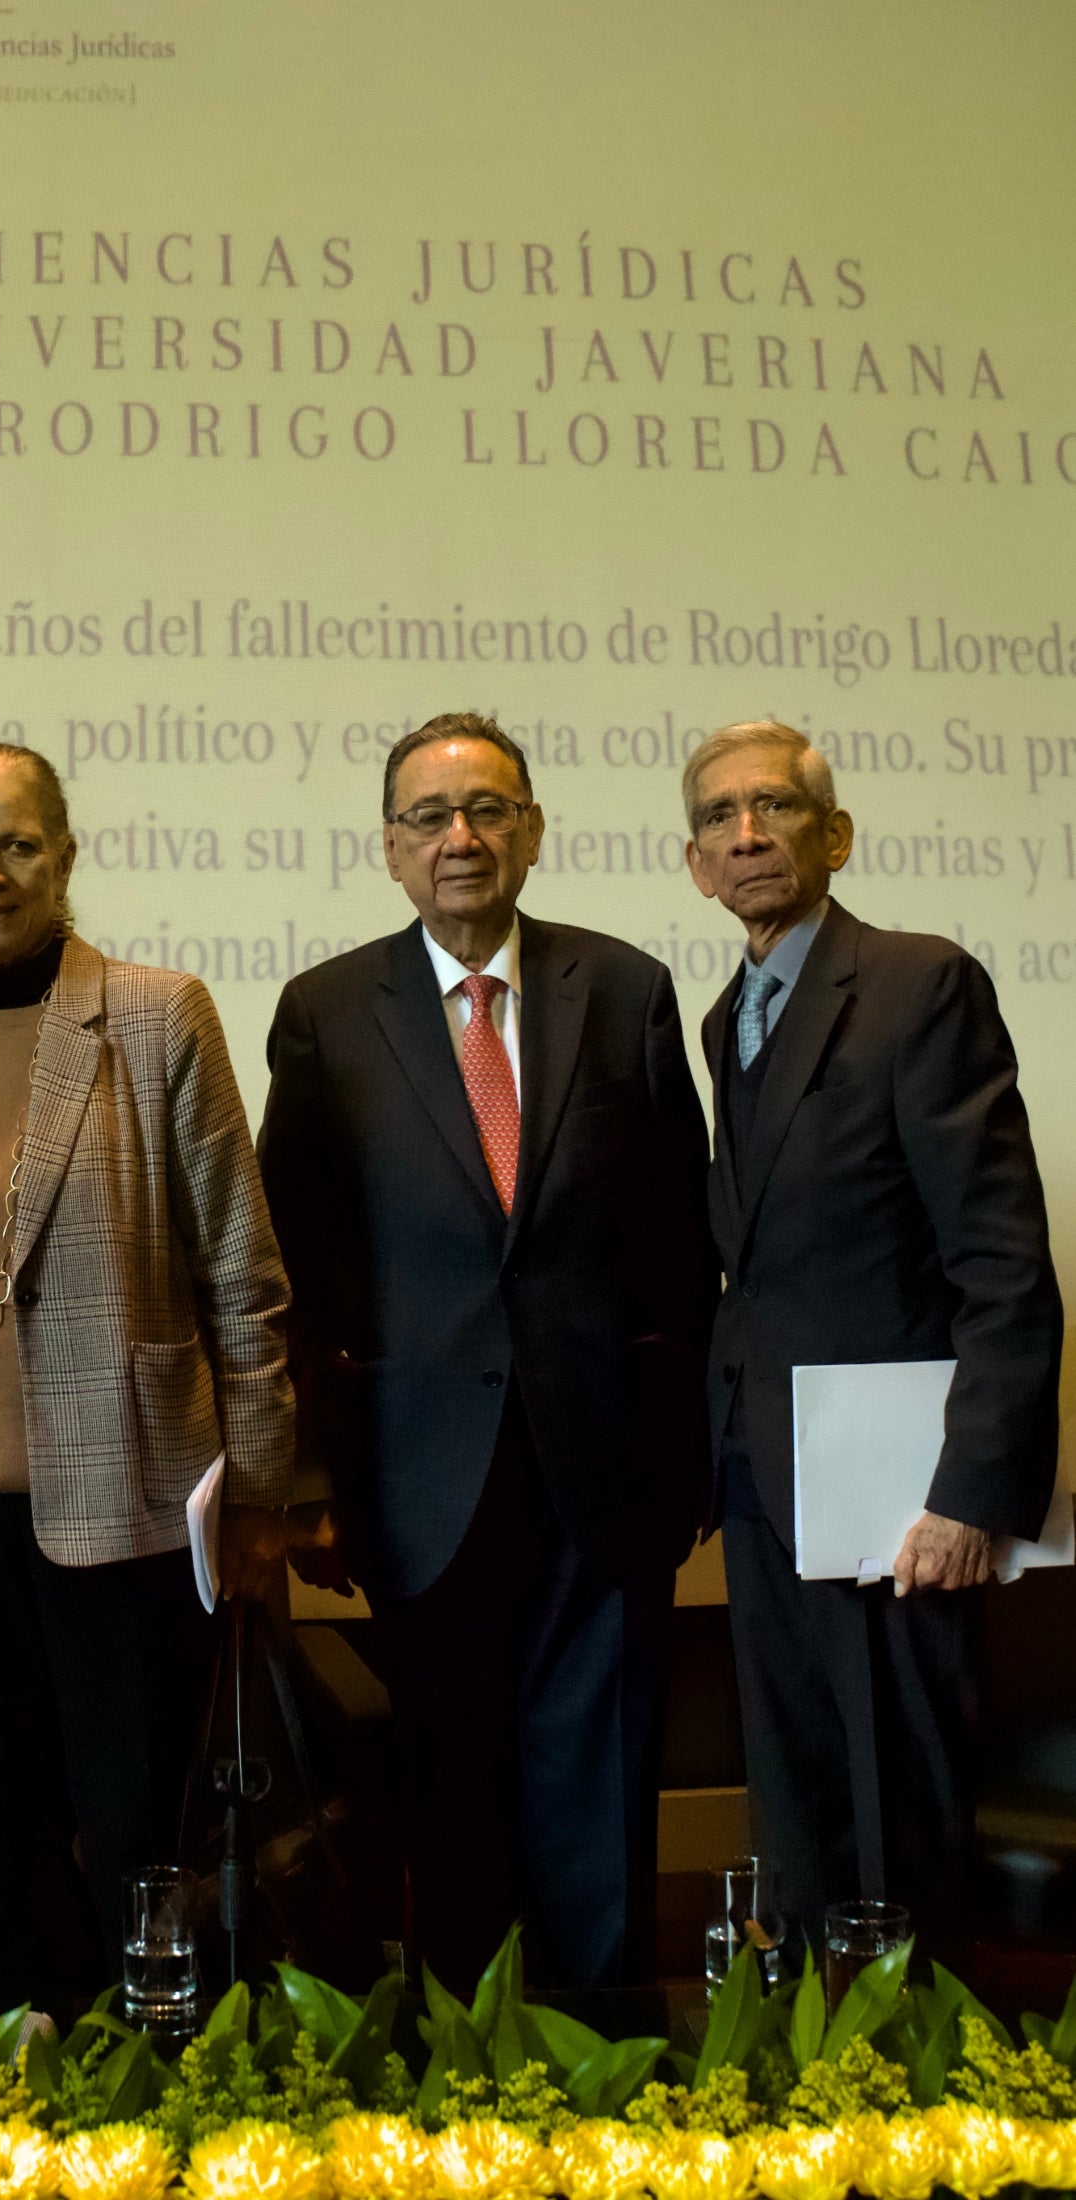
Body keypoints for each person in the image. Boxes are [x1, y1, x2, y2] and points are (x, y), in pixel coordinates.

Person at [0, 741, 293, 2017]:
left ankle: (148, 2102)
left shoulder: (155, 1012)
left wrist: (254, 1498)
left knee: (134, 1843)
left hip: (128, 1510)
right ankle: (21, 2094)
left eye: (15, 844)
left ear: (65, 853)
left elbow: (242, 1270)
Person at [259, 711, 714, 1994]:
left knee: (599, 1782)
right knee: (446, 1791)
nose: (459, 837)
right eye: (428, 816)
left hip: (602, 1467)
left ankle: (606, 2077)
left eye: (486, 810)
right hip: (415, 1475)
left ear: (530, 831)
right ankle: (468, 2088)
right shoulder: (325, 1010)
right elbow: (294, 1262)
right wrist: (309, 1486)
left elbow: (678, 1245)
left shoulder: (622, 987)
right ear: (391, 850)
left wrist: (683, 1464)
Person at [681, 718, 1063, 1953]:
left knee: (897, 1828)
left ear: (832, 834)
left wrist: (970, 1495)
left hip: (898, 1506)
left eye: (774, 807)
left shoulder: (916, 982)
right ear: (694, 863)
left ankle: (924, 2125)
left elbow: (1001, 1262)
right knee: (796, 1822)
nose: (746, 834)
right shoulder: (720, 1017)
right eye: (718, 816)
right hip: (765, 1481)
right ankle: (811, 2109)